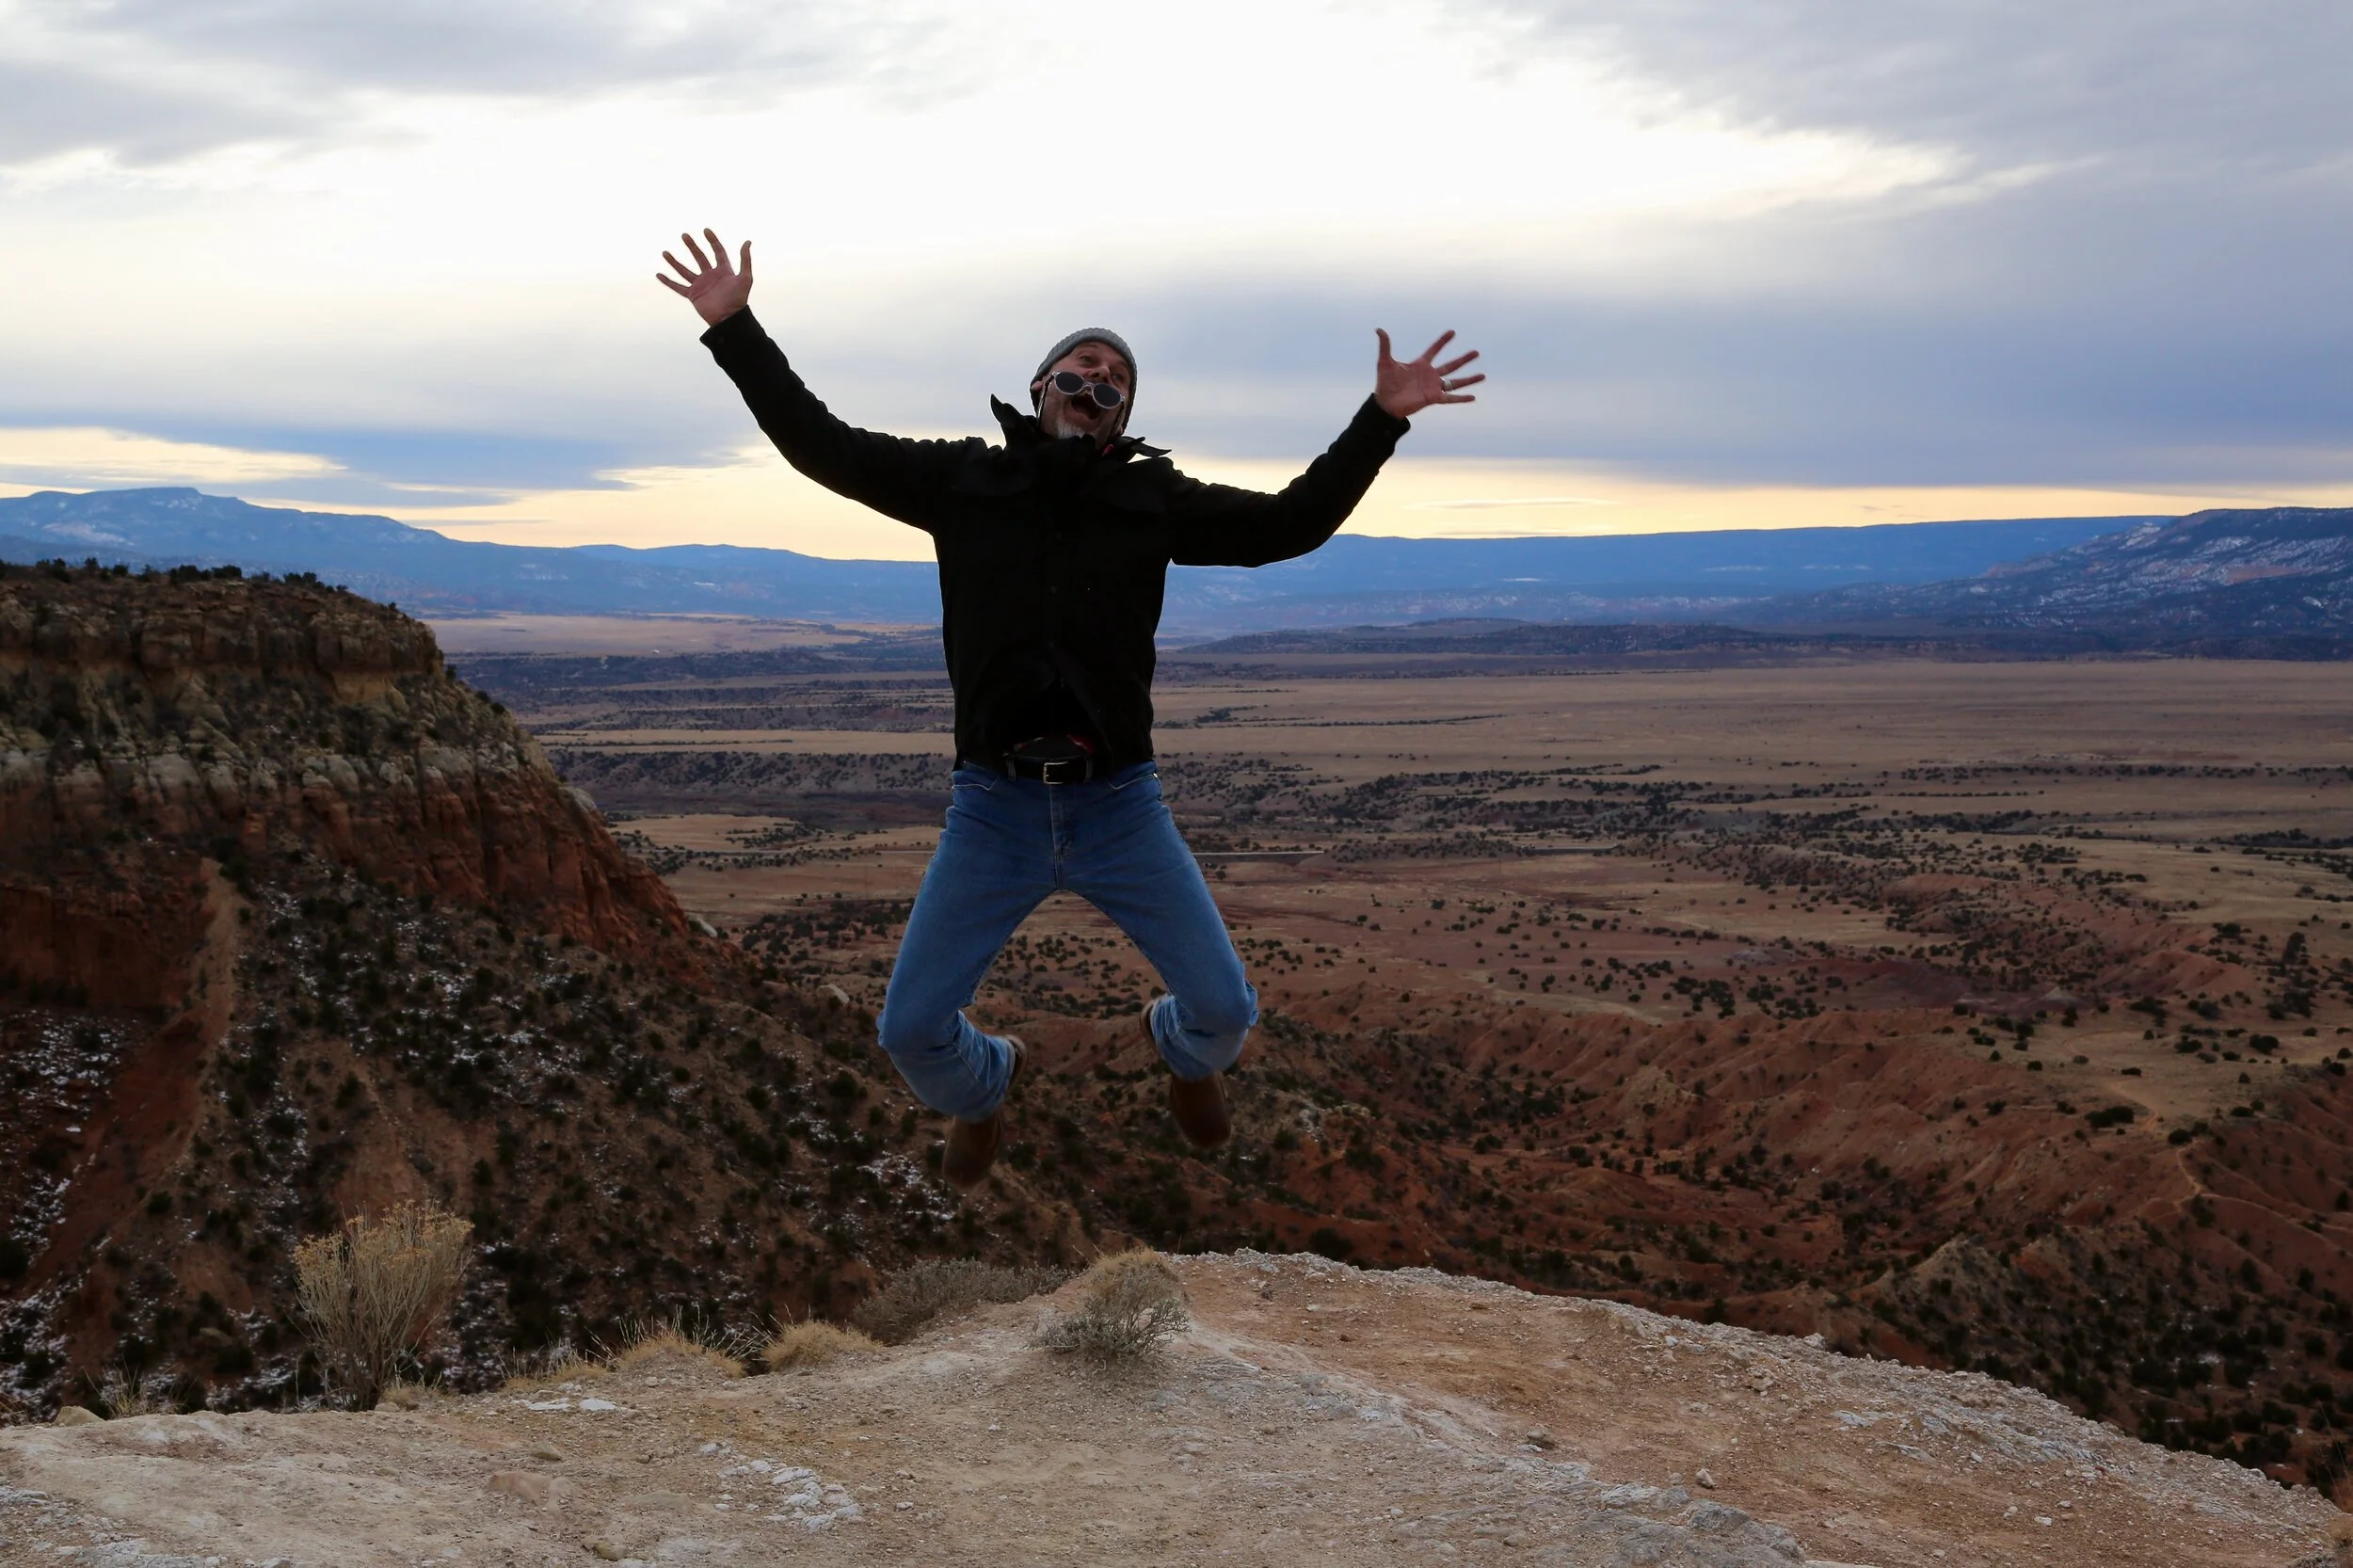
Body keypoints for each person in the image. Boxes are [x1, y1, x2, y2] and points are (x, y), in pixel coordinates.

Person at [658, 228, 1481, 1190]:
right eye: (1082, 368)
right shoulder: (962, 480)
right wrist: (735, 327)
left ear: (1123, 416)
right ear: (1041, 384)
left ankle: (1176, 1053)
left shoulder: (1151, 499)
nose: (1099, 380)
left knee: (1223, 1011)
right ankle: (984, 1085)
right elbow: (819, 443)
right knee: (911, 1031)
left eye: (1117, 381)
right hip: (993, 808)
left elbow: (1289, 524)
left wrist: (1381, 418)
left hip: (1117, 805)